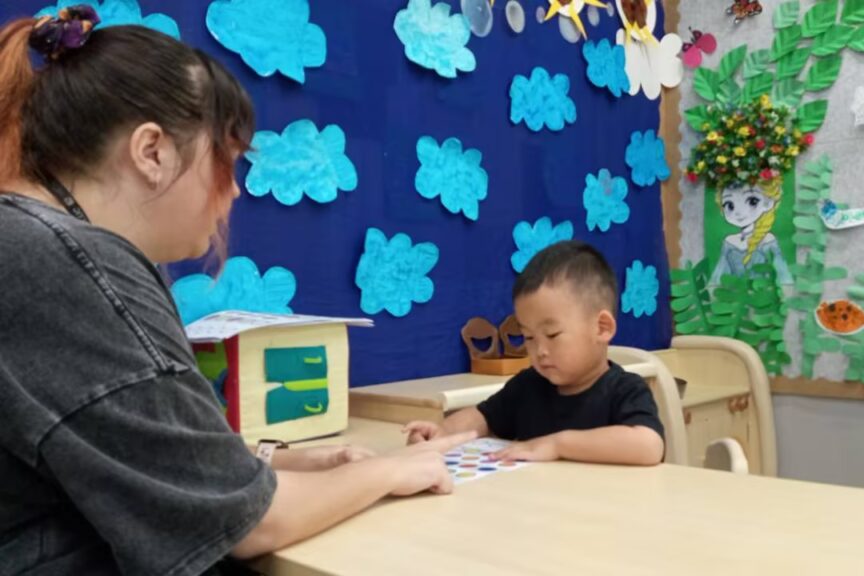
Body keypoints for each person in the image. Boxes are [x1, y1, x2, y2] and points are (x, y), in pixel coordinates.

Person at [0, 8, 471, 575]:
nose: (236, 191)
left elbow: (137, 455)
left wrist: (278, 462)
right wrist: (389, 470)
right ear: (152, 152)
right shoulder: (70, 261)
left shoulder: (33, 242)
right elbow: (251, 524)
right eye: (226, 161)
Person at [404, 241, 665, 465]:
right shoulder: (528, 385)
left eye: (552, 335)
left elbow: (648, 446)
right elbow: (482, 417)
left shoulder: (626, 390)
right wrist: (442, 432)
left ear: (602, 328)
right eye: (528, 337)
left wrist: (557, 444)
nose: (539, 351)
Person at [708, 180, 793, 285]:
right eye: (729, 205)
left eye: (752, 201)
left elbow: (782, 274)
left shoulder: (768, 240)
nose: (739, 212)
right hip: (734, 292)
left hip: (762, 292)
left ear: (768, 203)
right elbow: (720, 274)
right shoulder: (729, 241)